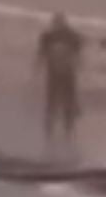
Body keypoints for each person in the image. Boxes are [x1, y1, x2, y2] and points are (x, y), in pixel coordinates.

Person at [35, 13, 85, 157]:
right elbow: (40, 55)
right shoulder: (48, 37)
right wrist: (37, 69)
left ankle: (67, 137)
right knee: (52, 106)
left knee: (67, 107)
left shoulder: (71, 36)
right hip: (55, 76)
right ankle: (49, 138)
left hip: (67, 76)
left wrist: (79, 64)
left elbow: (79, 53)